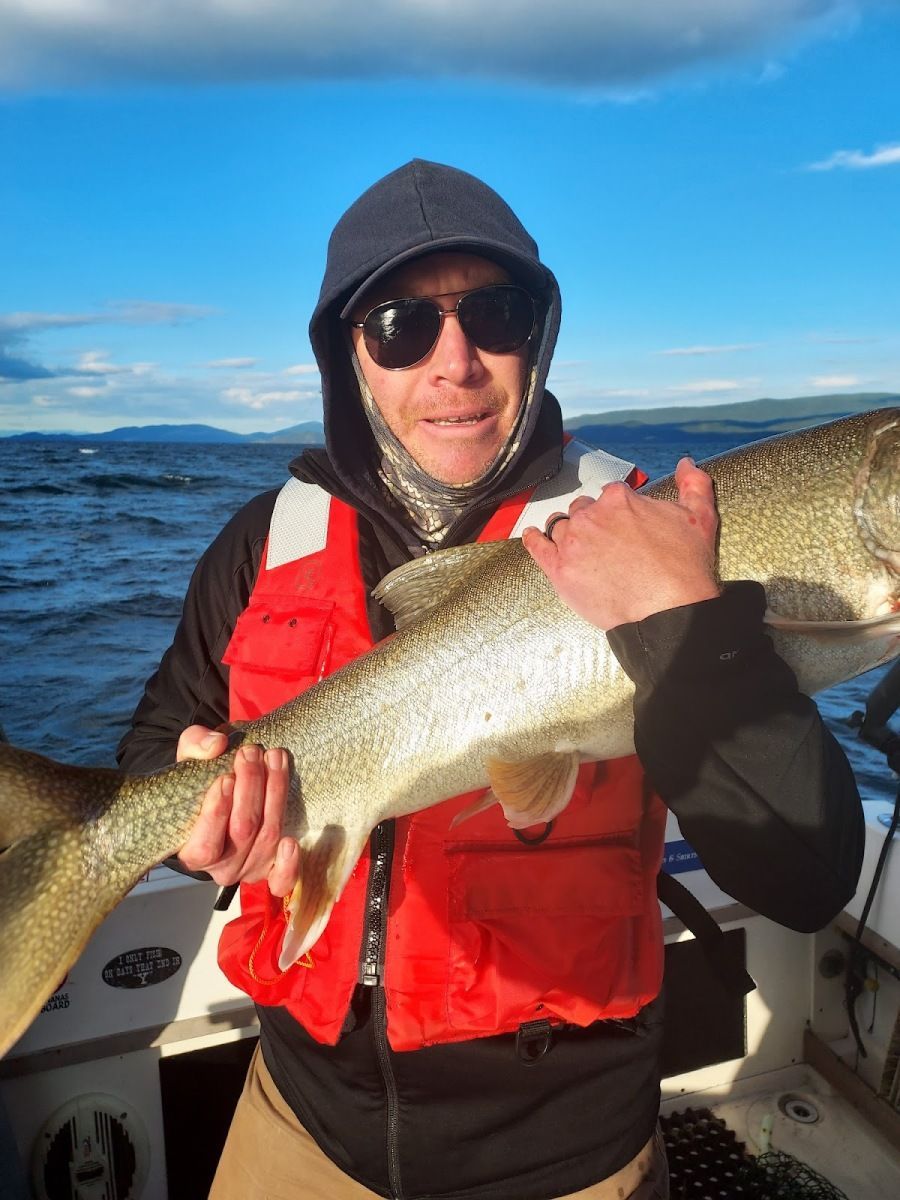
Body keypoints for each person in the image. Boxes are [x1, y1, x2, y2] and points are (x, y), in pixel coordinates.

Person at [118, 159, 864, 1200]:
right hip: (296, 1119)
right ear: (351, 357)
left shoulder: (656, 530)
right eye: (400, 327)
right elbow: (156, 748)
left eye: (497, 314)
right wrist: (201, 828)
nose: (455, 363)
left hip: (563, 1153)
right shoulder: (260, 542)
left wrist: (690, 630)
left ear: (539, 333)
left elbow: (805, 879)